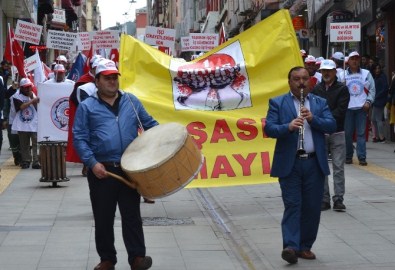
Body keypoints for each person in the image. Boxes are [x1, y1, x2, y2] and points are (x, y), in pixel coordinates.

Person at [73, 59, 156, 270]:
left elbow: (150, 125)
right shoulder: (87, 106)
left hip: (129, 169)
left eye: (114, 77)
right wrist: (92, 163)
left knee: (132, 217)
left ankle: (137, 258)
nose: (112, 81)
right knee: (103, 218)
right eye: (107, 78)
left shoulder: (131, 101)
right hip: (102, 170)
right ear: (97, 80)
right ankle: (107, 259)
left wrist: (168, 137)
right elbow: (80, 138)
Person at [264, 66, 336, 264]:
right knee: (293, 204)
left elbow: (332, 125)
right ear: (289, 82)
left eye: (305, 79)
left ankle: (305, 247)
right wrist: (287, 127)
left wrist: (314, 119)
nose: (301, 82)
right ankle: (291, 247)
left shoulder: (320, 103)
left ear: (310, 81)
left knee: (312, 207)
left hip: (314, 163)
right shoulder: (278, 102)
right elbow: (269, 128)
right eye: (297, 79)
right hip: (290, 163)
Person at [313, 60, 350, 211]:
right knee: (321, 167)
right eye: (323, 71)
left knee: (338, 167)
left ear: (335, 71)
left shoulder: (342, 89)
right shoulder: (316, 88)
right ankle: (324, 199)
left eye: (329, 70)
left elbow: (341, 111)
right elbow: (313, 109)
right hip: (321, 133)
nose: (326, 73)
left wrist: (324, 120)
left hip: (337, 132)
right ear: (321, 72)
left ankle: (339, 198)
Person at [344, 51, 376, 166]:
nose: (355, 61)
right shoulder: (342, 75)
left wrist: (368, 102)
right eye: (352, 59)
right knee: (347, 134)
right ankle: (348, 156)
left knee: (361, 134)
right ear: (348, 61)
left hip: (362, 108)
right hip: (347, 109)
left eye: (357, 59)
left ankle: (362, 157)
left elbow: (372, 89)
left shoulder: (366, 73)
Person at [12, 78, 40, 169]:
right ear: (21, 88)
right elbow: (21, 107)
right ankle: (26, 161)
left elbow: (37, 106)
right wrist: (32, 100)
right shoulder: (16, 96)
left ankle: (36, 161)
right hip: (22, 123)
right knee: (24, 144)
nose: (28, 89)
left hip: (33, 123)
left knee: (36, 142)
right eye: (26, 87)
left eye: (29, 87)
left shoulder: (32, 94)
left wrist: (32, 97)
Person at [371, 63, 389, 143]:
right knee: (374, 119)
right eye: (376, 68)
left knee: (378, 119)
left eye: (378, 68)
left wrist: (377, 96)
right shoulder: (376, 77)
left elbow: (385, 89)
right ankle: (378, 136)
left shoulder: (382, 77)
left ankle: (382, 137)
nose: (377, 70)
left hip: (380, 101)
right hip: (376, 100)